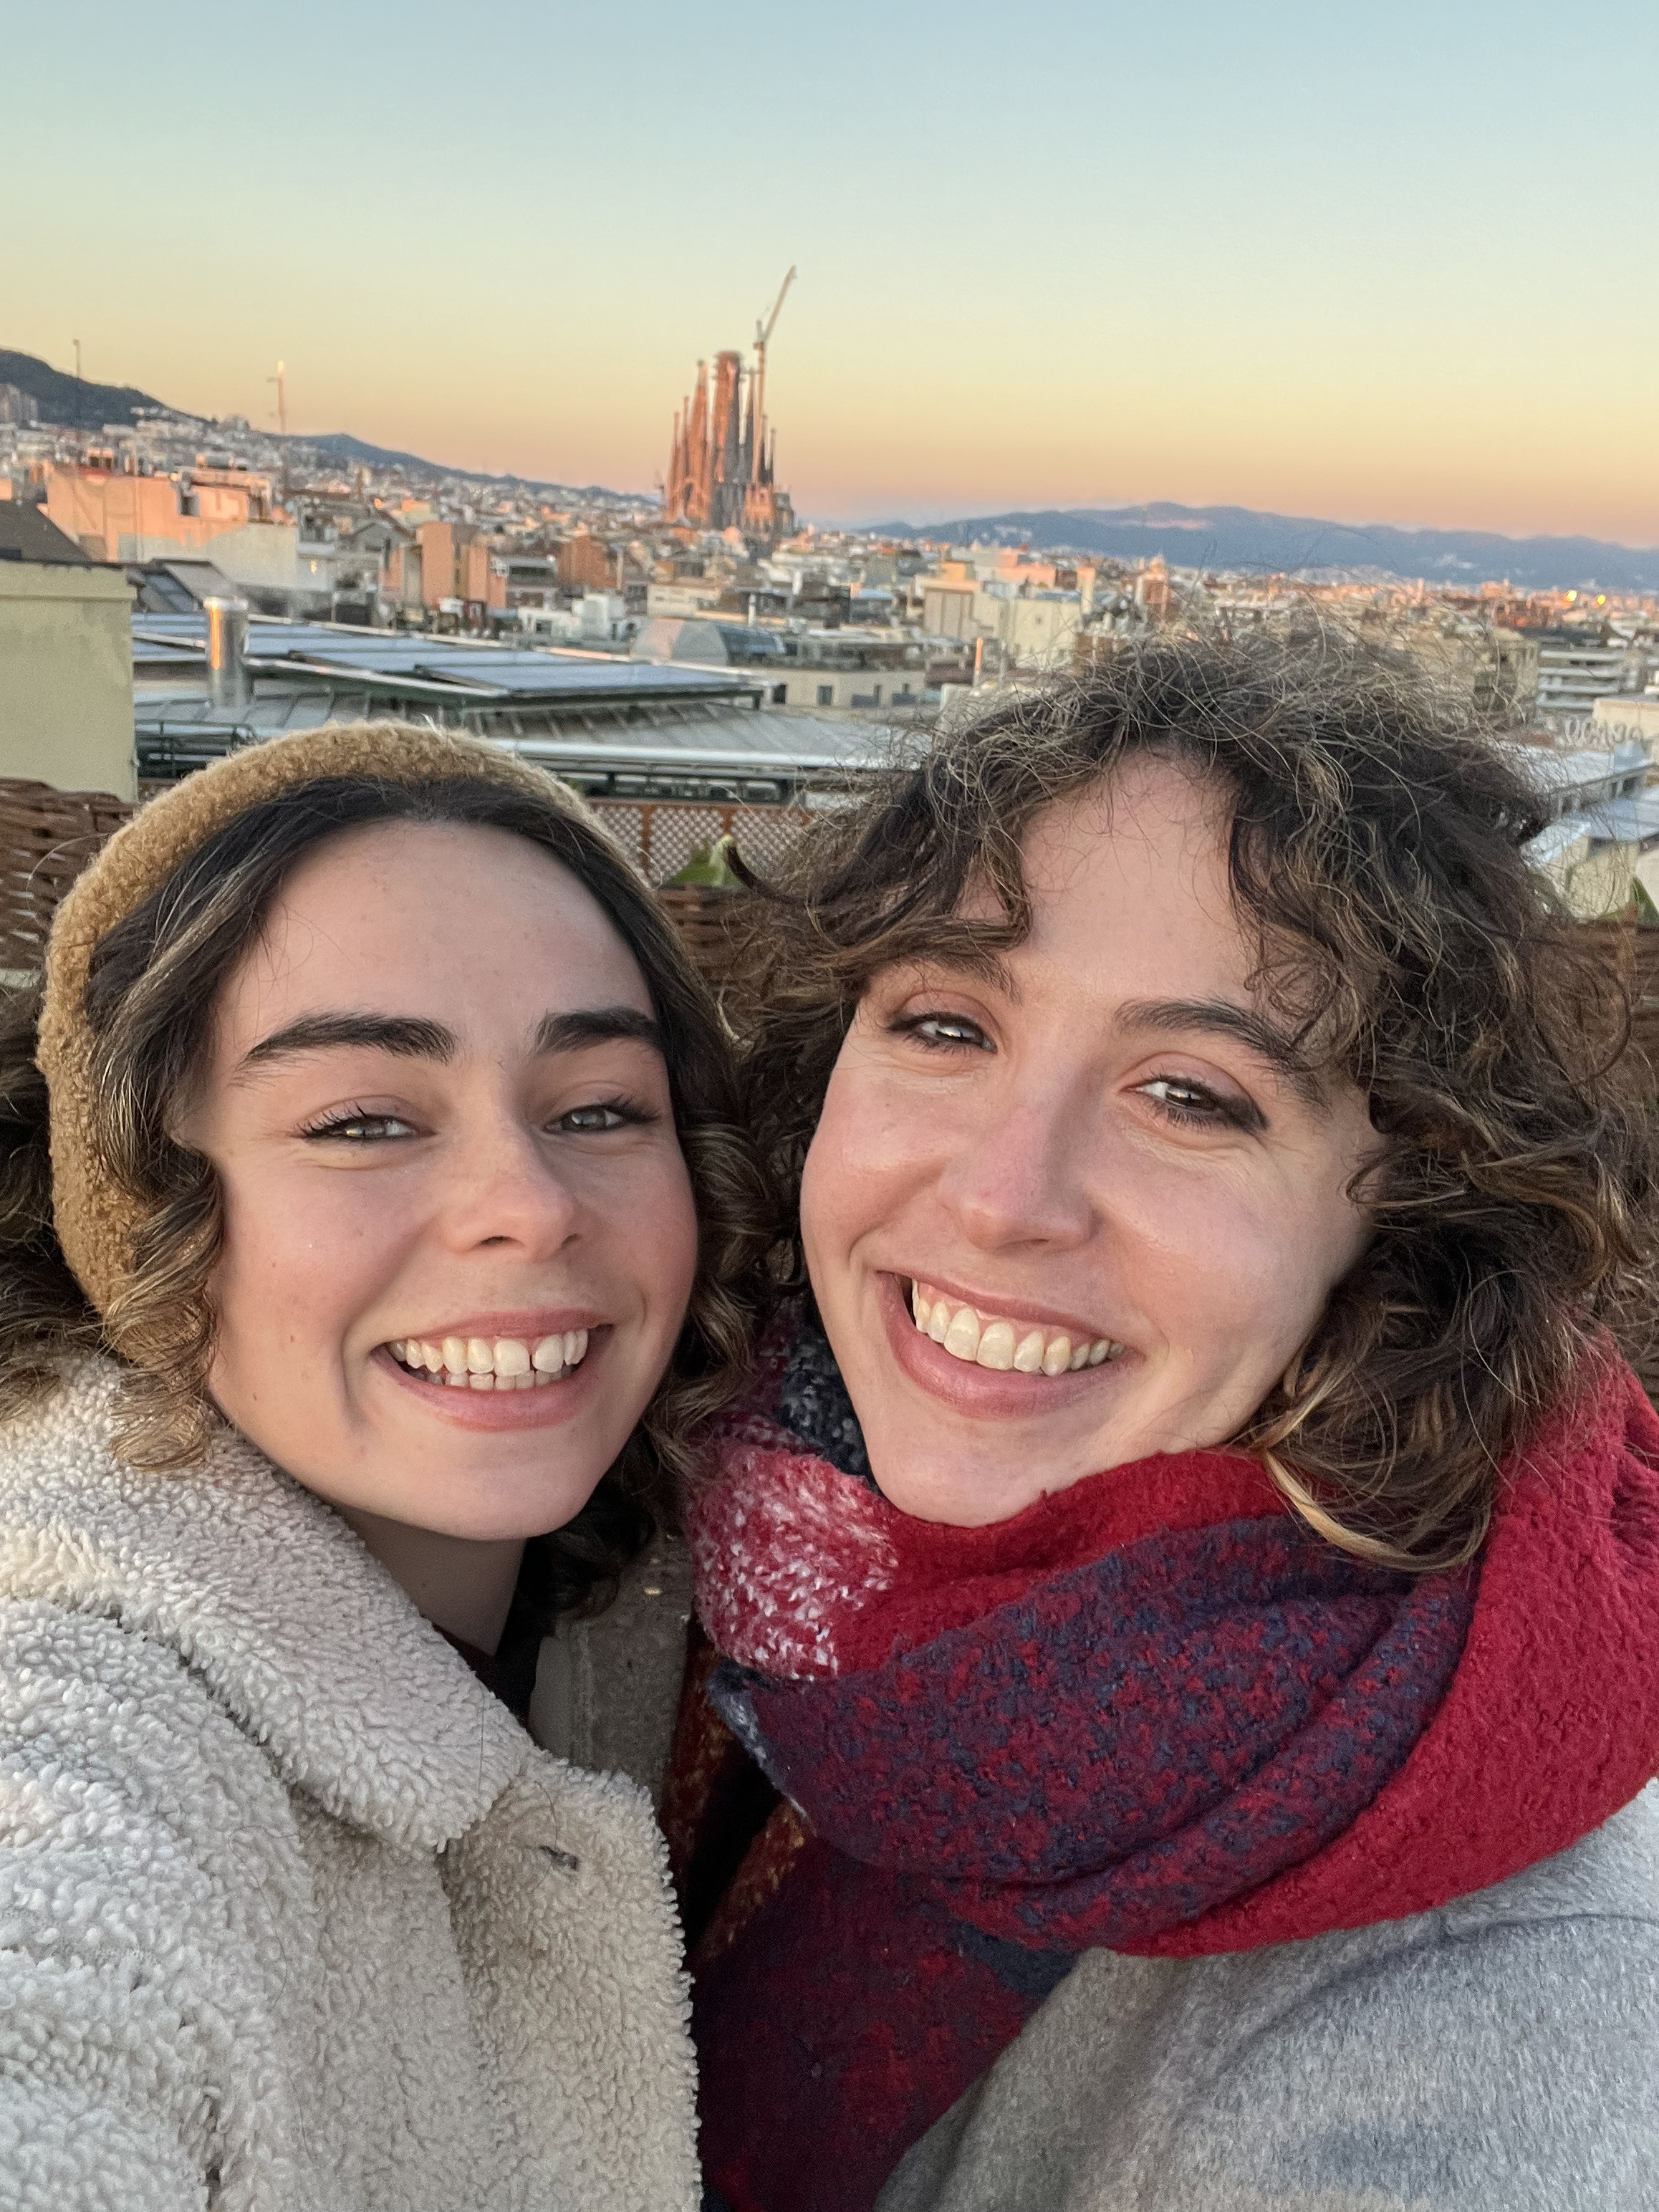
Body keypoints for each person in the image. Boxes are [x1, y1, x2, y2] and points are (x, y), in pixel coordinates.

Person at [668, 633, 1659, 2212]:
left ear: (1402, 1212)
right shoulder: (697, 1496)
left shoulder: (1499, 2004)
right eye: (944, 1025)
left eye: (1192, 1094)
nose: (999, 1200)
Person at [0, 721, 764, 2211]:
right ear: (146, 1194)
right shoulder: (89, 1718)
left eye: (600, 1106)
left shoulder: (674, 1580)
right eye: (362, 1120)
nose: (527, 1207)